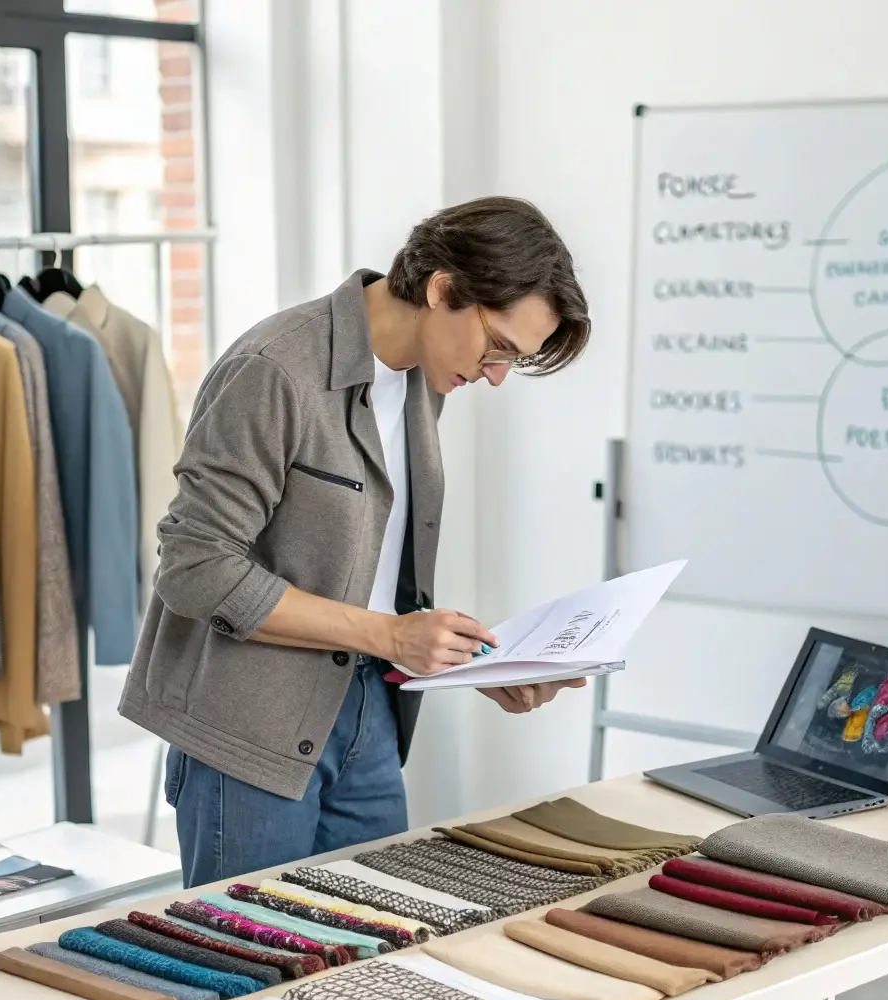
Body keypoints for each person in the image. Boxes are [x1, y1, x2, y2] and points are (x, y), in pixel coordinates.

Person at [119, 197, 592, 886]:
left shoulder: (422, 383)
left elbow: (366, 575)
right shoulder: (275, 369)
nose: (496, 375)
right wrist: (390, 636)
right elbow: (196, 568)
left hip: (369, 714)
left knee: (373, 939)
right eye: (498, 347)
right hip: (250, 729)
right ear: (443, 289)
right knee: (249, 948)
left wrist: (477, 664)